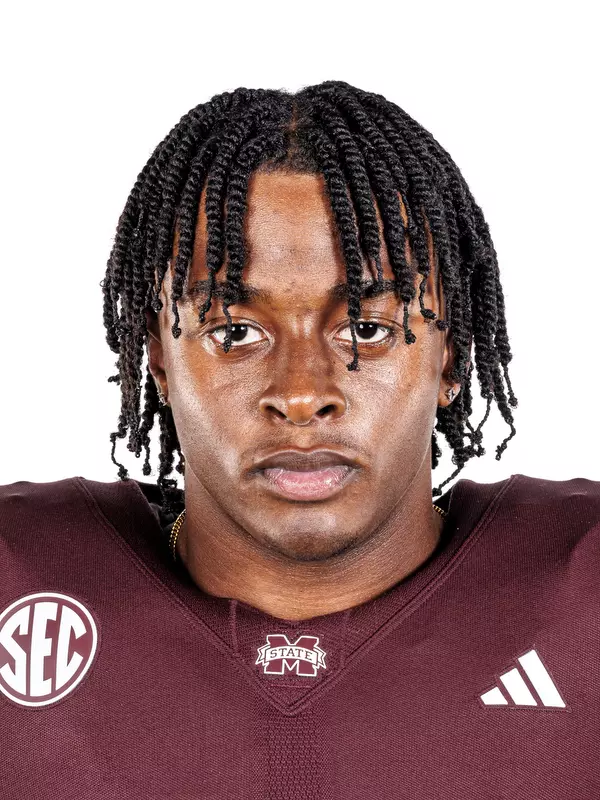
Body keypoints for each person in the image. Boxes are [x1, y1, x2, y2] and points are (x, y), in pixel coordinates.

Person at [1, 80, 598, 799]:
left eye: (368, 330)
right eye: (235, 332)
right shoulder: (18, 578)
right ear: (157, 357)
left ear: (451, 356)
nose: (303, 393)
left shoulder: (583, 587)